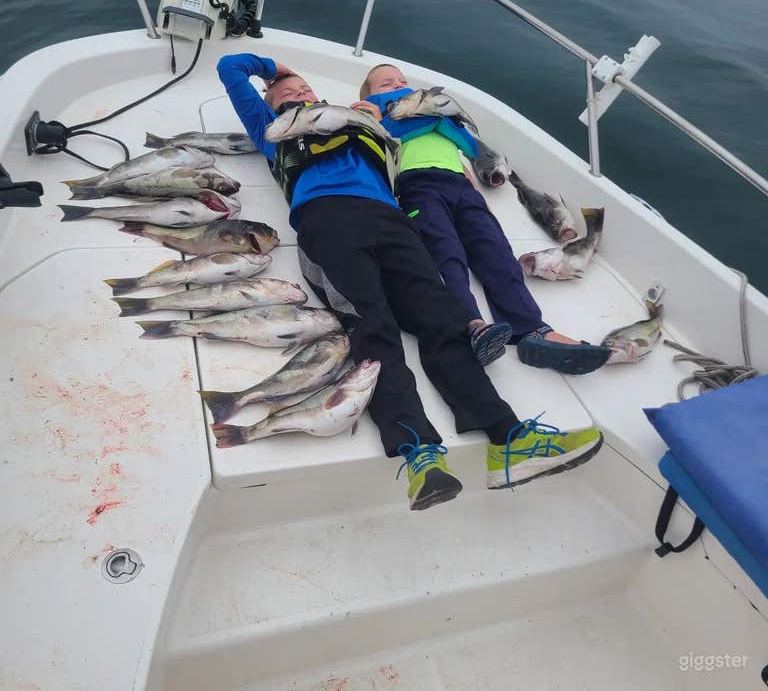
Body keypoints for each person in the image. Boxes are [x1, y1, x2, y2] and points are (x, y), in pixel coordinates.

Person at [216, 53, 603, 510]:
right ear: (271, 104)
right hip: (327, 222)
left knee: (444, 319)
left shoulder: (354, 118)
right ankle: (417, 451)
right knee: (373, 326)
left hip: (391, 220)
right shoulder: (269, 128)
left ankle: (508, 438)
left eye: (304, 90)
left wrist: (372, 114)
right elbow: (229, 67)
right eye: (286, 93)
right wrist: (274, 67)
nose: (298, 94)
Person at [355, 63, 611, 372]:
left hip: (461, 186)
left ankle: (532, 329)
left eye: (402, 80)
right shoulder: (378, 112)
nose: (398, 85)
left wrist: (476, 192)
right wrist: (422, 119)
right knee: (445, 254)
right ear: (370, 95)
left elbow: (468, 148)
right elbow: (386, 135)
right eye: (386, 84)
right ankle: (471, 325)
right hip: (417, 186)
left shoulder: (438, 114)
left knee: (496, 252)